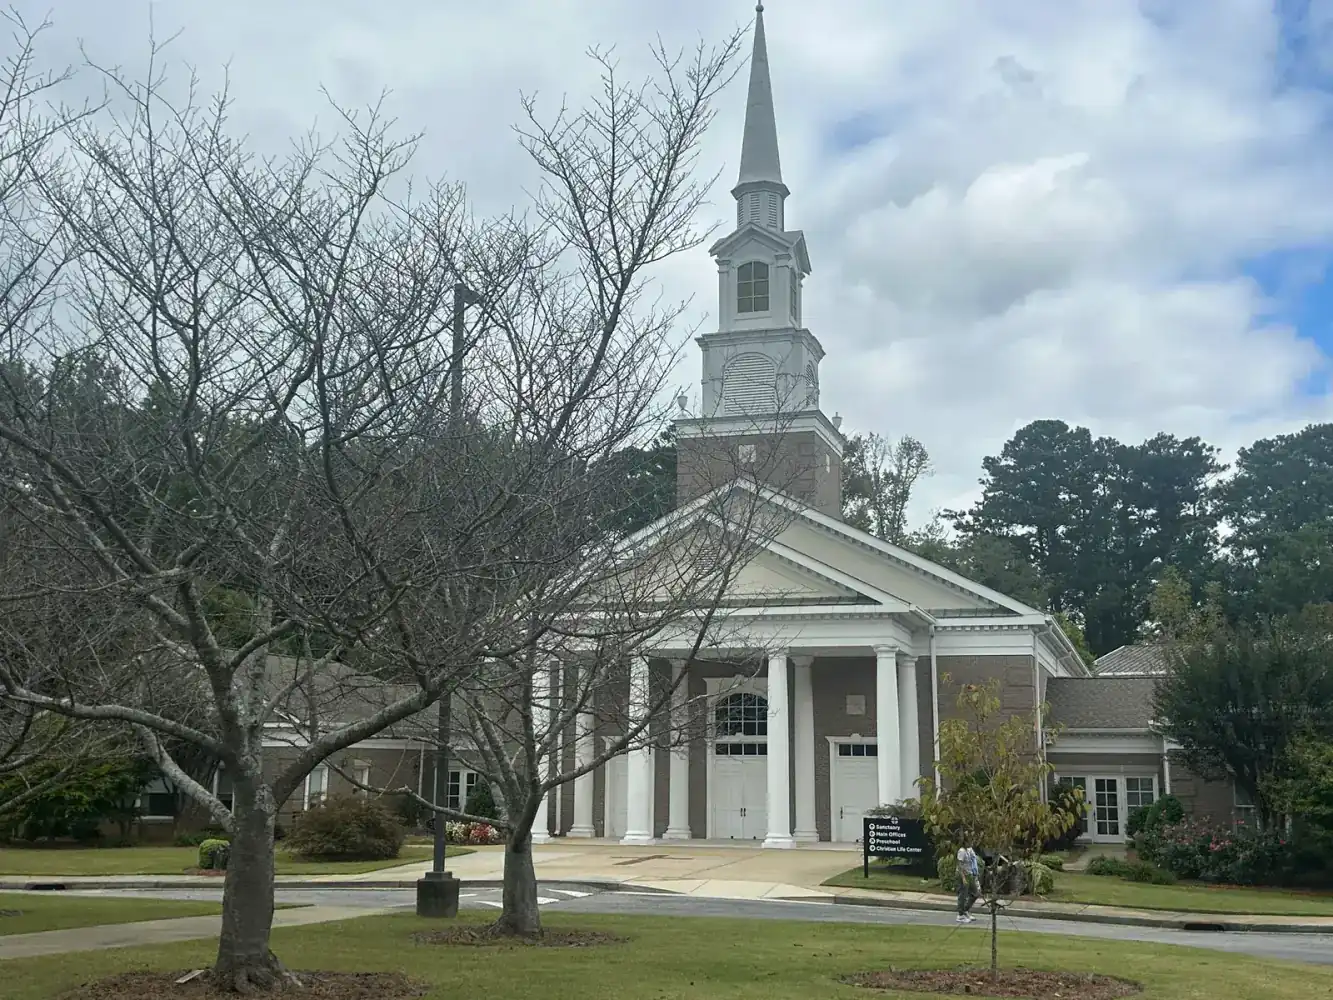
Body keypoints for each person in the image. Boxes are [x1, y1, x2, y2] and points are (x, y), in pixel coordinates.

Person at [955, 845, 980, 923]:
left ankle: (965, 910)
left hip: (970, 874)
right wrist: (963, 878)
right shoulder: (962, 851)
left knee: (975, 893)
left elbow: (973, 860)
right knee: (963, 895)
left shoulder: (970, 849)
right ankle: (960, 915)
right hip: (963, 874)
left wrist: (975, 873)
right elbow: (959, 865)